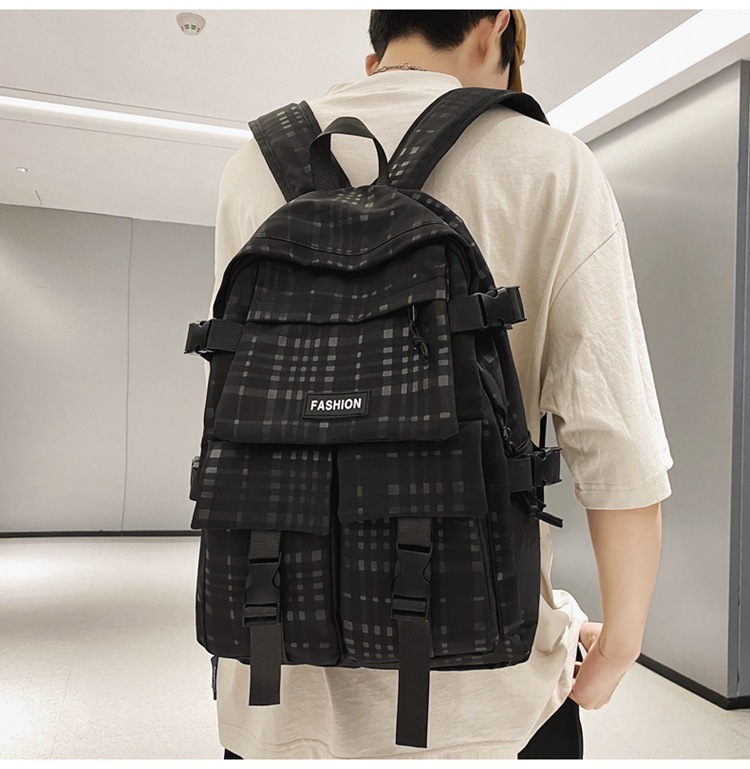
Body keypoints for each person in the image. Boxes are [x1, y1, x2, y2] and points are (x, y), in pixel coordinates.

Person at [207, 9, 673, 760]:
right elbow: (617, 442)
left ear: (374, 57)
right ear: (496, 28)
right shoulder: (549, 162)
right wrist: (617, 648)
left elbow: (237, 400)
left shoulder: (250, 166)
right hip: (487, 698)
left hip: (272, 683)